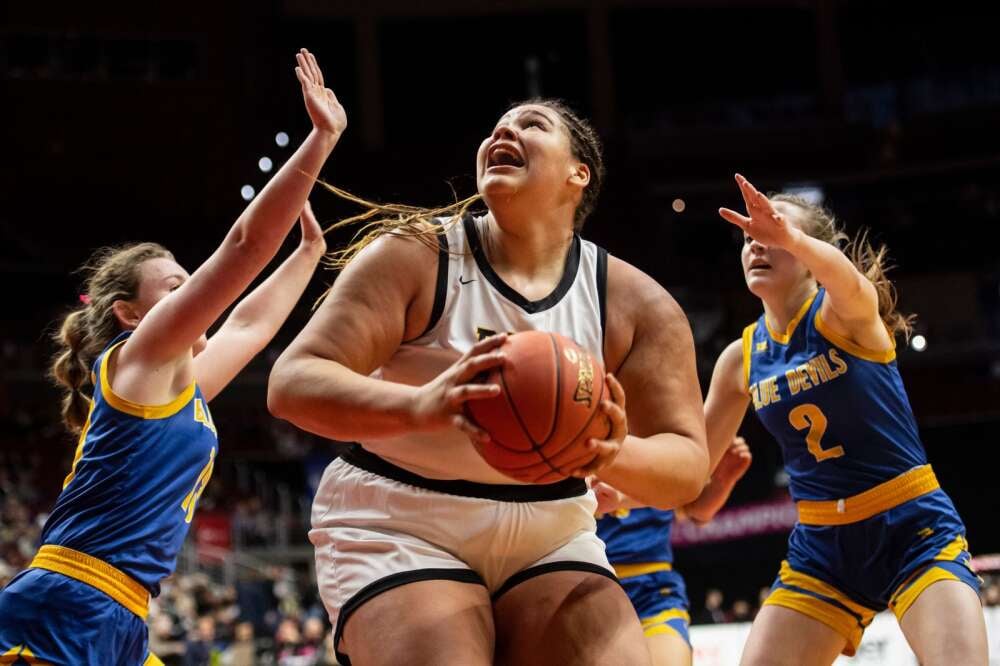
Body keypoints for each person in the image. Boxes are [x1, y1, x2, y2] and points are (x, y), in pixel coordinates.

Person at [267, 99, 709, 665]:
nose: (504, 128)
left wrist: (609, 451)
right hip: (401, 518)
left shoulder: (636, 303)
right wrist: (421, 405)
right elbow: (293, 383)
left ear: (579, 175)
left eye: (532, 124)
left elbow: (688, 466)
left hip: (550, 528)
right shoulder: (415, 254)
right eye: (500, 124)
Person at [0, 49, 343, 665]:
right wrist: (319, 141)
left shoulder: (180, 388)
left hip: (124, 613)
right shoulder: (139, 360)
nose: (191, 294)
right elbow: (241, 248)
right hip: (72, 595)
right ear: (131, 315)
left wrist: (308, 253)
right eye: (175, 286)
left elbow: (252, 324)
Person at [703, 174, 986, 665]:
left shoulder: (843, 313)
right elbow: (691, 464)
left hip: (910, 527)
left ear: (811, 249)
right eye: (750, 239)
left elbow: (847, 280)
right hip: (822, 546)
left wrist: (788, 235)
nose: (757, 244)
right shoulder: (741, 358)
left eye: (772, 235)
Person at [593, 436, 753, 665]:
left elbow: (695, 509)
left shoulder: (661, 440)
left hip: (652, 591)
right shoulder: (580, 438)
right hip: (591, 586)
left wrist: (722, 481)